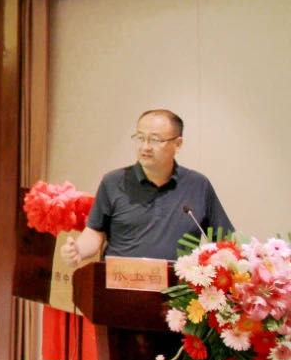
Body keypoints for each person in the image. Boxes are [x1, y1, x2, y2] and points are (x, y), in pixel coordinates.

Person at [62, 109, 233, 265]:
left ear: (177, 144)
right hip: (120, 283)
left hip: (176, 286)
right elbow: (95, 232)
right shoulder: (113, 182)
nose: (145, 147)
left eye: (154, 140)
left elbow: (226, 242)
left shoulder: (197, 184)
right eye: (140, 138)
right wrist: (78, 250)